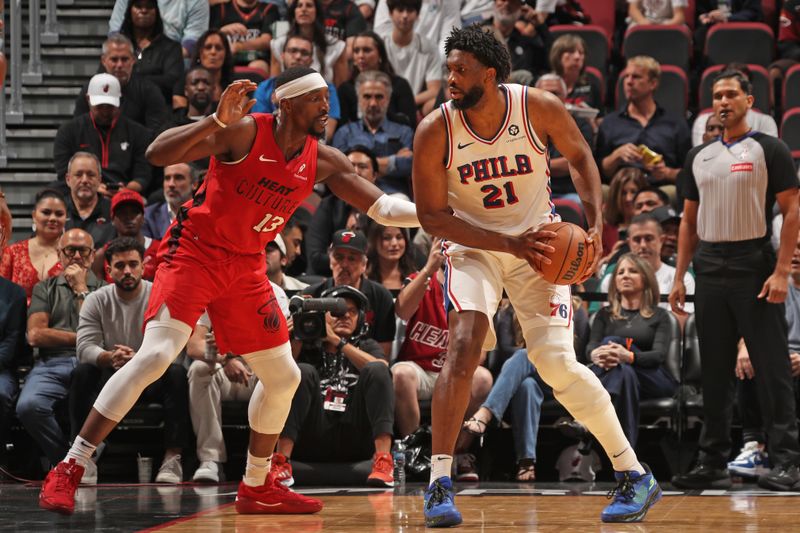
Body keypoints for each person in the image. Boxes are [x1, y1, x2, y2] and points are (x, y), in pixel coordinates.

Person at [39, 67, 419, 516]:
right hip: (195, 252)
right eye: (318, 99)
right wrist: (213, 121)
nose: (327, 108)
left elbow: (387, 208)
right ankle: (71, 464)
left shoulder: (323, 158)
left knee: (285, 377)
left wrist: (442, 215)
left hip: (245, 265)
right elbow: (157, 153)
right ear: (288, 103)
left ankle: (256, 485)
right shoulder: (242, 133)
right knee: (158, 355)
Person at [411, 25, 660, 526]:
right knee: (463, 346)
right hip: (474, 245)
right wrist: (507, 244)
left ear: (492, 74)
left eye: (461, 70)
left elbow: (583, 158)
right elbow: (433, 218)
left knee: (557, 366)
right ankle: (439, 483)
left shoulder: (538, 107)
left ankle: (635, 474)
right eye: (449, 69)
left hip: (542, 246)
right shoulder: (435, 130)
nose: (451, 79)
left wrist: (593, 228)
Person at [669, 69, 800, 491]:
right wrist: (678, 277)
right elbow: (688, 221)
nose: (722, 102)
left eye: (730, 94)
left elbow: (792, 209)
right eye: (716, 96)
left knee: (772, 367)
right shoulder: (698, 156)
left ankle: (787, 461)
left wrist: (781, 270)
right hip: (708, 266)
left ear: (749, 100)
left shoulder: (770, 148)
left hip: (754, 264)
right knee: (715, 371)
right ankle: (712, 461)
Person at [73, 237, 189, 485]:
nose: (127, 271)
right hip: (112, 373)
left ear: (144, 266)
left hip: (152, 375)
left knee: (178, 374)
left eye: (133, 264)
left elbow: (176, 346)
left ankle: (173, 458)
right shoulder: (96, 299)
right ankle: (85, 459)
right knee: (82, 373)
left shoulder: (160, 296)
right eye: (120, 265)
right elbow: (84, 348)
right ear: (109, 269)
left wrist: (140, 359)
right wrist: (108, 356)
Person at [272, 285, 395, 488]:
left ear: (360, 319)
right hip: (313, 432)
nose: (345, 315)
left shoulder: (366, 345)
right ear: (324, 316)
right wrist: (294, 337)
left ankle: (383, 461)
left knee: (377, 370)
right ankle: (281, 462)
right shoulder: (306, 346)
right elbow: (280, 373)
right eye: (337, 311)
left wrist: (338, 342)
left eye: (352, 311)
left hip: (355, 433)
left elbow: (382, 369)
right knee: (300, 371)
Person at [185, 280, 290, 483]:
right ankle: (210, 459)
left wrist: (230, 346)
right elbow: (194, 346)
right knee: (198, 370)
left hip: (258, 368)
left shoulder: (274, 292)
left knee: (281, 374)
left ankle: (265, 463)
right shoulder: (214, 289)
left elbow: (282, 345)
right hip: (223, 366)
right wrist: (225, 358)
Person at [18, 229, 104, 468]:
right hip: (51, 364)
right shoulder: (44, 288)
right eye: (70, 250)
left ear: (91, 255)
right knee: (29, 406)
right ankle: (68, 462)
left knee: (109, 401)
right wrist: (84, 338)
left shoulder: (106, 289)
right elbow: (36, 335)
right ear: (60, 254)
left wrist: (80, 289)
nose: (76, 256)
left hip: (93, 363)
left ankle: (80, 461)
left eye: (82, 250)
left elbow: (104, 337)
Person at [588, 253, 678, 448]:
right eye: (620, 272)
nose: (625, 276)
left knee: (614, 341)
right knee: (624, 373)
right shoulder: (603, 315)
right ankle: (627, 457)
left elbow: (658, 356)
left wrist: (627, 355)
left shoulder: (660, 316)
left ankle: (588, 423)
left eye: (632, 271)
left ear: (645, 278)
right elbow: (591, 348)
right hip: (623, 379)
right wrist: (594, 354)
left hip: (654, 379)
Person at [596, 56, 691, 185]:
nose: (629, 82)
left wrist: (666, 172)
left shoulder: (676, 123)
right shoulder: (610, 123)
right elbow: (600, 172)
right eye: (626, 76)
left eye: (636, 77)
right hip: (621, 189)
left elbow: (688, 172)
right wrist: (616, 156)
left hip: (661, 188)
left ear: (653, 83)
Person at [304, 229, 397, 356]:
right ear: (330, 261)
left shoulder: (381, 296)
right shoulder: (311, 294)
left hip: (363, 367)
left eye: (352, 259)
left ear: (364, 265)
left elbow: (382, 358)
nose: (344, 264)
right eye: (339, 257)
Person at [55, 73, 154, 193]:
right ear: (88, 99)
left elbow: (143, 175)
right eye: (100, 106)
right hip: (82, 190)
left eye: (109, 106)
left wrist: (126, 191)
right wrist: (93, 187)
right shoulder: (68, 131)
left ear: (120, 101)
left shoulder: (139, 133)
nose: (105, 111)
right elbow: (64, 173)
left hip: (125, 193)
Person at [332, 71, 415, 199]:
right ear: (358, 99)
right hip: (353, 195)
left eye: (379, 97)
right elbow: (340, 170)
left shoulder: (404, 132)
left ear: (388, 99)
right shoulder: (344, 133)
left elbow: (409, 164)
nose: (373, 103)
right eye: (367, 96)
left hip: (393, 196)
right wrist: (392, 160)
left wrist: (360, 166)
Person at [73, 34, 170, 133]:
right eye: (114, 59)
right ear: (103, 60)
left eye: (124, 59)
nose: (119, 65)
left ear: (133, 60)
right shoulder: (90, 90)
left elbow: (156, 133)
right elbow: (79, 130)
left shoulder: (149, 91)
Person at [253, 34, 341, 142]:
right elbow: (260, 128)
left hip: (312, 150)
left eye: (304, 53)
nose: (298, 56)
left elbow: (326, 133)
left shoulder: (326, 89)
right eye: (293, 51)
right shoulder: (265, 88)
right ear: (283, 55)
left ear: (311, 60)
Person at [306, 146, 379, 276]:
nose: (356, 172)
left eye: (362, 166)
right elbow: (315, 257)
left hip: (375, 278)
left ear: (374, 176)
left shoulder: (382, 209)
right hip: (329, 278)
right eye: (350, 167)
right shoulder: (328, 205)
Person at [337, 30, 417, 129]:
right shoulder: (345, 89)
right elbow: (341, 129)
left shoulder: (400, 85)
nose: (361, 56)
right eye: (356, 51)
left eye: (367, 50)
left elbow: (410, 124)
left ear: (380, 55)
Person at [1, 189, 66, 305]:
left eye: (59, 214)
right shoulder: (13, 252)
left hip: (60, 322)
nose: (52, 218)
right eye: (46, 212)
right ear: (34, 215)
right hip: (17, 320)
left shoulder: (72, 255)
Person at [691, 64, 779, 147]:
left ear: (749, 91)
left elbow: (767, 158)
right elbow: (701, 157)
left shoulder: (766, 122)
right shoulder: (703, 120)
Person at [117, 0, 184, 104]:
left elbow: (172, 80)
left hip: (159, 107)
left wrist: (130, 80)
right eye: (138, 6)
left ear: (156, 11)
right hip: (122, 108)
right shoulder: (118, 46)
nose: (144, 10)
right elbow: (105, 76)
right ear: (129, 11)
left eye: (149, 7)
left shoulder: (171, 47)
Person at [269, 0, 348, 86]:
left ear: (317, 12)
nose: (304, 9)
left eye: (309, 5)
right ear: (294, 12)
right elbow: (274, 86)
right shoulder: (278, 44)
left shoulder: (336, 46)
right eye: (299, 6)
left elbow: (341, 89)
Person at [384, 0, 443, 113]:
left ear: (417, 15)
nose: (405, 15)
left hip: (415, 105)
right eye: (400, 10)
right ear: (390, 14)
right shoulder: (381, 45)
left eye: (410, 11)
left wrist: (406, 102)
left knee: (437, 103)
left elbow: (434, 90)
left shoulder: (429, 47)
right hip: (385, 105)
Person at [92, 190, 161, 282]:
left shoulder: (159, 250)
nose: (129, 217)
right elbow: (98, 291)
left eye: (134, 212)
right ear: (112, 219)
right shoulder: (102, 255)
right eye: (122, 213)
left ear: (143, 217)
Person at [109, 0, 210, 59]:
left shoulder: (197, 1)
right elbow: (115, 33)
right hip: (131, 56)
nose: (144, 10)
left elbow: (192, 43)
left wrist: (156, 60)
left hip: (175, 59)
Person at [483, 0, 551, 86]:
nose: (507, 4)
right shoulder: (476, 33)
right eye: (503, 0)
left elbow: (553, 60)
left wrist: (540, 26)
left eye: (513, 1)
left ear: (521, 8)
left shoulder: (525, 43)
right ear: (494, 2)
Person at [62, 153, 116, 249]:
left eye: (91, 175)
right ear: (68, 179)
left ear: (99, 179)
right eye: (78, 175)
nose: (84, 180)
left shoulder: (114, 211)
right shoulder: (57, 211)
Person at [211, 0, 280, 73]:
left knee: (258, 66)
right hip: (226, 60)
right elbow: (209, 39)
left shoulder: (269, 9)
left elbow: (267, 41)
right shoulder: (220, 9)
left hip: (257, 60)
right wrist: (222, 32)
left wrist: (239, 46)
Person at [173, 30, 235, 110]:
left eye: (218, 48)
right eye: (208, 47)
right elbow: (179, 116)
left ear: (226, 54)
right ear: (200, 53)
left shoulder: (235, 84)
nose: (213, 52)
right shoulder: (183, 80)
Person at [143, 162, 199, 240]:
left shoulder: (204, 216)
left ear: (194, 184)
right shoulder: (148, 216)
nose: (171, 184)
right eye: (167, 178)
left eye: (178, 178)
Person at [548, 33, 602, 111]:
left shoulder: (591, 85)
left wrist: (590, 119)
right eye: (571, 52)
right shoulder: (546, 84)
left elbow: (600, 119)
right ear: (557, 56)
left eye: (581, 53)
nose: (577, 57)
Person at [365, 223, 416, 295]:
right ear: (374, 242)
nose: (394, 243)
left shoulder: (415, 278)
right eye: (387, 238)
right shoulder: (364, 279)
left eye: (399, 237)